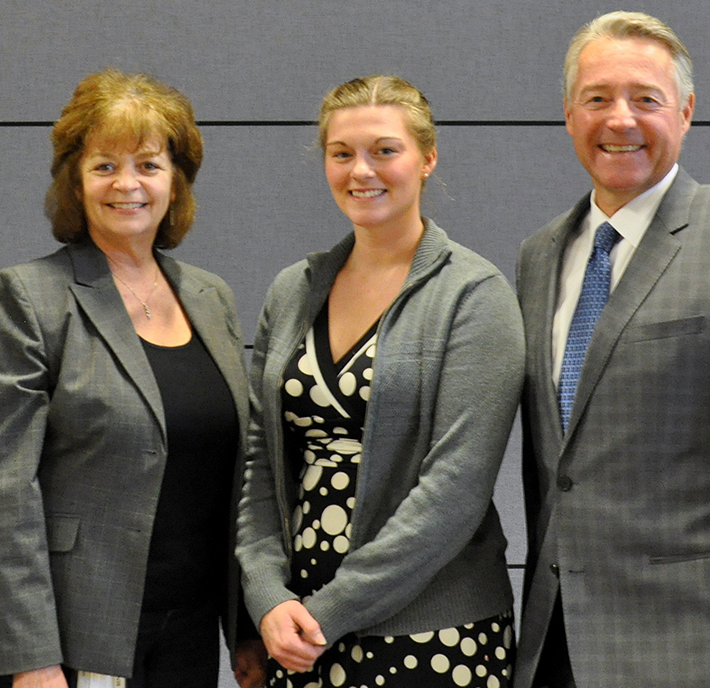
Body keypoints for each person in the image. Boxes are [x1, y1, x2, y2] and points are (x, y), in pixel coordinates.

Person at [515, 11, 710, 688]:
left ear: (686, 111)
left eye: (645, 99)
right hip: (554, 652)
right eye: (597, 98)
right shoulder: (539, 257)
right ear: (568, 114)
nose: (619, 120)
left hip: (692, 657)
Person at [0, 69, 264, 688]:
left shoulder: (211, 298)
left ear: (176, 179)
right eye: (104, 166)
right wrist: (29, 654)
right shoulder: (31, 296)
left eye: (148, 165)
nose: (127, 184)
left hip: (192, 630)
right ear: (76, 179)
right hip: (75, 636)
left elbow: (238, 473)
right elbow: (0, 487)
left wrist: (247, 626)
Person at [236, 75, 524, 688]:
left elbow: (454, 492)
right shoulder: (293, 290)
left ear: (427, 158)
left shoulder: (473, 295)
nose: (360, 171)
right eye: (341, 154)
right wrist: (266, 593)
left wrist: (329, 612)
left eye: (384, 150)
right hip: (296, 628)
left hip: (430, 633)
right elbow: (261, 459)